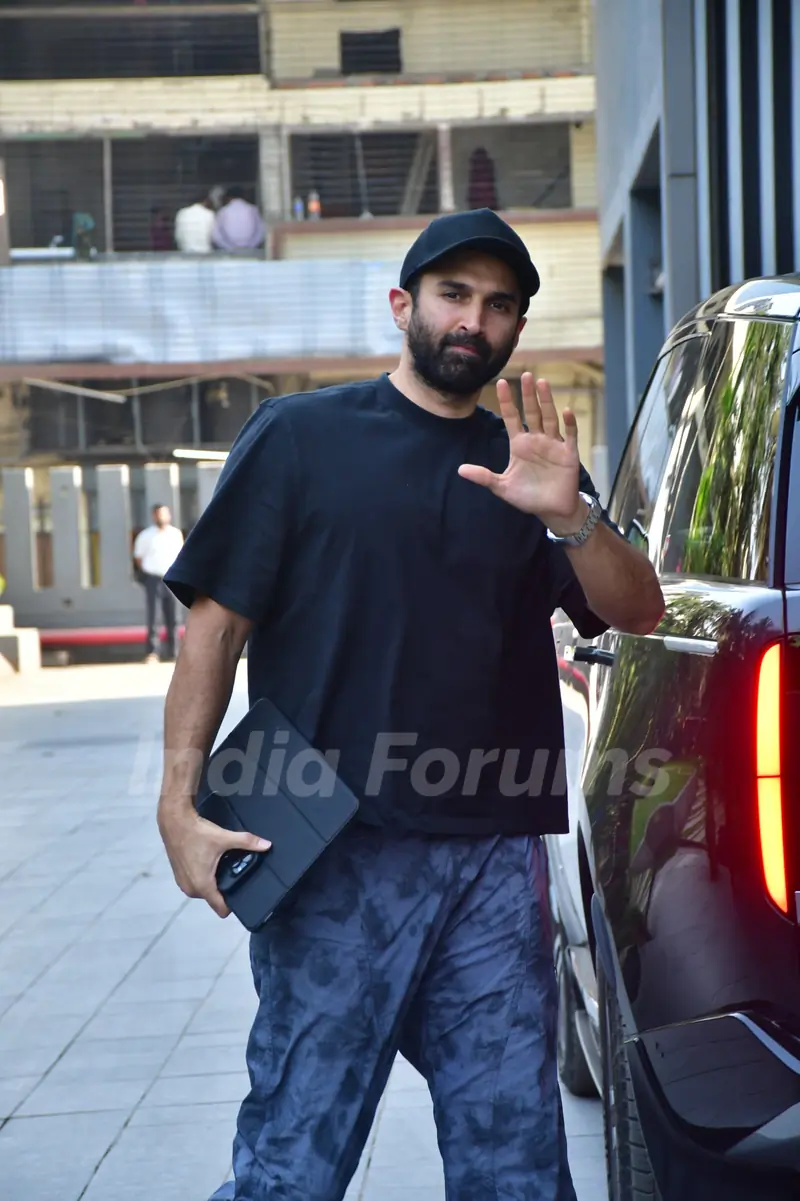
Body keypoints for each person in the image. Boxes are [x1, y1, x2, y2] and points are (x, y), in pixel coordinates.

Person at [157, 208, 665, 1201]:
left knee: (516, 1167)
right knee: (292, 1166)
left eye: (499, 305)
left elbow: (637, 608)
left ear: (517, 328)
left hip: (493, 858)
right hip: (329, 849)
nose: (473, 319)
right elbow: (214, 628)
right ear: (404, 305)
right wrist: (178, 804)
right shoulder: (299, 438)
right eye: (453, 294)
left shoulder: (529, 464)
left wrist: (570, 518)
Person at [133, 504, 184, 663]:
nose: (161, 517)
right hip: (154, 578)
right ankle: (153, 652)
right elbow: (138, 558)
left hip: (172, 578)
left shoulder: (175, 534)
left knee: (174, 616)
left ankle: (174, 651)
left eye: (164, 514)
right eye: (158, 514)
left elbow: (181, 554)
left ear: (169, 515)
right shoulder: (146, 536)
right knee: (154, 616)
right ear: (153, 516)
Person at [211, 185, 265, 252]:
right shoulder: (253, 210)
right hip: (251, 251)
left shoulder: (223, 212)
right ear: (244, 196)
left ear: (228, 197)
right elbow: (260, 232)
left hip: (228, 252)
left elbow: (216, 235)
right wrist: (251, 246)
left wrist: (229, 248)